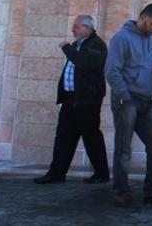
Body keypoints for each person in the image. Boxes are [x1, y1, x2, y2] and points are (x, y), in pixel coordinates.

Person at [33, 14, 110, 185]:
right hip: (70, 99)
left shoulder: (97, 45)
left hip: (87, 101)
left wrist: (67, 48)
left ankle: (101, 173)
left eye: (76, 26)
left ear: (87, 28)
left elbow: (84, 64)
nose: (73, 30)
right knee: (64, 137)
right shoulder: (77, 45)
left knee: (91, 136)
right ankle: (57, 172)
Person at [105, 2, 152, 207]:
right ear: (142, 19)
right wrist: (124, 95)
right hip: (128, 100)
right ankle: (121, 192)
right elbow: (111, 71)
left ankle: (151, 191)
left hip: (146, 101)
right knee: (124, 148)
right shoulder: (122, 38)